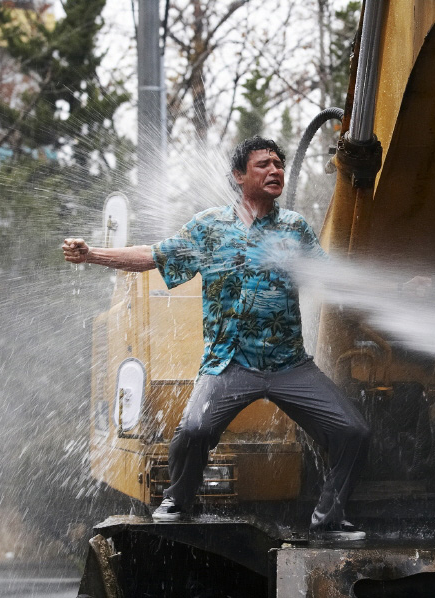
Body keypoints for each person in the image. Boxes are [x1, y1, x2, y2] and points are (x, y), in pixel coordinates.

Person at [63, 136, 370, 541]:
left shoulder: (294, 228)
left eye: (279, 164)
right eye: (263, 164)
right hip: (229, 364)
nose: (275, 170)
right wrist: (93, 255)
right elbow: (153, 256)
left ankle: (329, 519)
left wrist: (398, 293)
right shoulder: (209, 227)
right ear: (239, 176)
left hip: (290, 364)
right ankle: (178, 499)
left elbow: (331, 278)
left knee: (353, 431)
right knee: (194, 430)